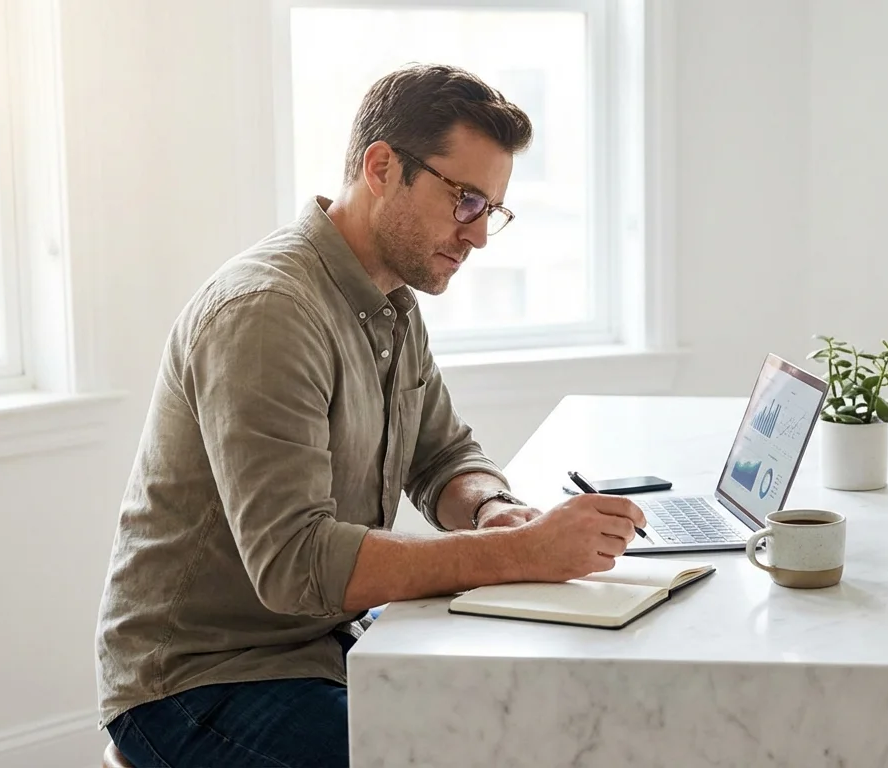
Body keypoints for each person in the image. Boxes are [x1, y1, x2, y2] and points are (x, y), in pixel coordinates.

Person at [95, 63, 647, 767]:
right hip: (197, 685)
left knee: (539, 721)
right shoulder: (267, 312)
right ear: (382, 167)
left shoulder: (390, 300)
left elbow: (445, 456)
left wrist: (493, 510)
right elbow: (294, 564)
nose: (477, 236)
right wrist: (519, 555)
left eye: (491, 211)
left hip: (321, 648)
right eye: (466, 200)